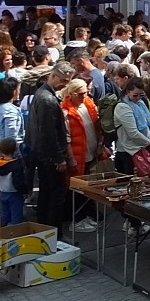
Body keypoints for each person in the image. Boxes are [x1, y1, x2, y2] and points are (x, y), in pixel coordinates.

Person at [26, 62, 76, 229]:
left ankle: (45, 228)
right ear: (53, 76)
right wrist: (59, 158)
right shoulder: (47, 99)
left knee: (47, 192)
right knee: (55, 195)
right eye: (63, 80)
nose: (65, 84)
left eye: (67, 81)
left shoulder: (43, 94)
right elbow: (49, 133)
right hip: (48, 155)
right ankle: (55, 232)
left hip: (41, 153)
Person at [60, 79, 103, 233]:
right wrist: (71, 158)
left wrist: (100, 146)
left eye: (86, 93)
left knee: (88, 187)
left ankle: (87, 216)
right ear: (71, 94)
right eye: (81, 94)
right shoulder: (65, 112)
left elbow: (97, 127)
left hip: (90, 153)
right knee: (77, 190)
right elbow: (67, 139)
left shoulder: (88, 105)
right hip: (78, 157)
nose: (85, 96)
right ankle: (77, 220)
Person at [0, 138, 26, 226]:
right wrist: (25, 191)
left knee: (4, 215)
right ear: (15, 150)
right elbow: (18, 182)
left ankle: (2, 231)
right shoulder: (16, 165)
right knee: (16, 216)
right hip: (14, 193)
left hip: (3, 191)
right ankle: (15, 234)